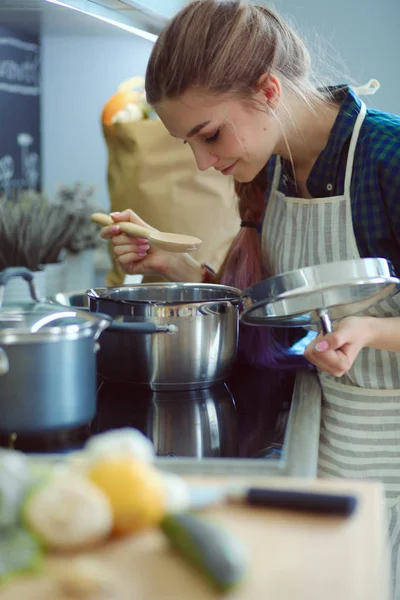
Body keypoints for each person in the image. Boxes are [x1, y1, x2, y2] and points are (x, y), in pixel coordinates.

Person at [100, 0, 400, 592]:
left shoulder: (386, 159)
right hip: (325, 441)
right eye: (188, 143)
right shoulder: (273, 167)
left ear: (267, 90)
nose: (203, 162)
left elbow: (356, 320)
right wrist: (178, 266)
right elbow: (277, 301)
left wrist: (371, 333)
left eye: (208, 135)